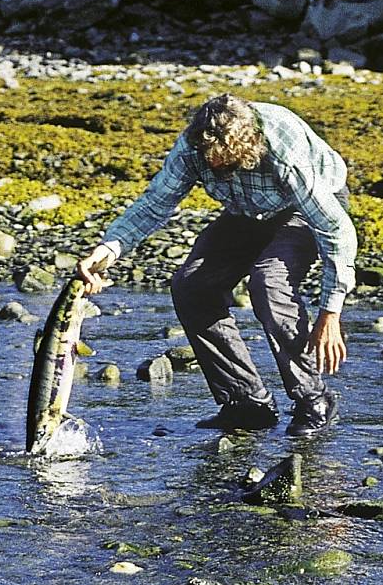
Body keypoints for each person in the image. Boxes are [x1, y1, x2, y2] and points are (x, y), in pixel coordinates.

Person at [77, 93, 357, 436]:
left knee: (268, 283)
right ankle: (246, 403)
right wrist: (108, 250)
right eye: (212, 167)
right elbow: (153, 205)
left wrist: (331, 313)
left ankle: (314, 399)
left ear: (249, 147)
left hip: (305, 209)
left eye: (226, 166)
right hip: (247, 210)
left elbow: (335, 228)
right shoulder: (194, 149)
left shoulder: (284, 149)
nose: (216, 171)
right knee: (191, 284)